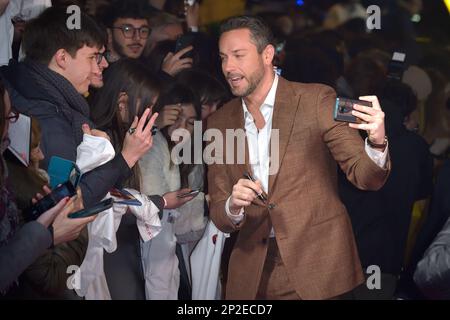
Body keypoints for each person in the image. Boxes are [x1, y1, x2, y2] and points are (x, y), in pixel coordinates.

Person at [206, 16, 391, 300]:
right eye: (223, 58)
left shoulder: (315, 100)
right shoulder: (219, 122)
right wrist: (232, 205)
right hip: (253, 274)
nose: (228, 67)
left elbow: (366, 177)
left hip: (320, 266)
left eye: (238, 56)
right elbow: (219, 214)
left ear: (267, 54)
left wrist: (377, 141)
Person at [0, 78, 94, 294]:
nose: (10, 128)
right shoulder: (17, 184)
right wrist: (53, 233)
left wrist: (36, 221)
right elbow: (51, 277)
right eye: (7, 118)